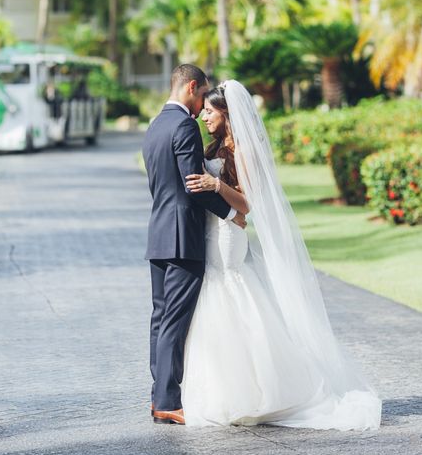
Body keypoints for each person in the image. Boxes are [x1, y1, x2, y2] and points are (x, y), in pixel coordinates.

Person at [181, 80, 382, 430]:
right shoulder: (213, 148)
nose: (204, 117)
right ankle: (224, 385)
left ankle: (256, 390)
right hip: (212, 230)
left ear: (227, 115)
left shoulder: (243, 151)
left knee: (230, 290)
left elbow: (247, 205)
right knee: (215, 298)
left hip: (229, 235)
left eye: (210, 112)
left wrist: (217, 185)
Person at [142, 65, 247, 425]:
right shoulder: (184, 125)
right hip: (183, 237)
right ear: (191, 87)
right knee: (174, 319)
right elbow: (193, 184)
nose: (203, 104)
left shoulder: (156, 125)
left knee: (160, 318)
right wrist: (232, 215)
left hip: (158, 235)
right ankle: (168, 401)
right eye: (202, 94)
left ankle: (159, 396)